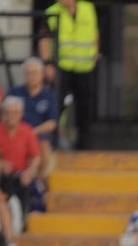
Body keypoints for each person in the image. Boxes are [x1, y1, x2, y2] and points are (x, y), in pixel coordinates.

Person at [40, 0, 99, 150]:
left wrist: (95, 54)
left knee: (84, 108)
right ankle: (53, 142)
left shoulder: (88, 8)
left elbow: (95, 33)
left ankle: (83, 145)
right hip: (62, 67)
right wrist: (47, 64)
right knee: (57, 105)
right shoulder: (51, 12)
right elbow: (45, 39)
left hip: (85, 67)